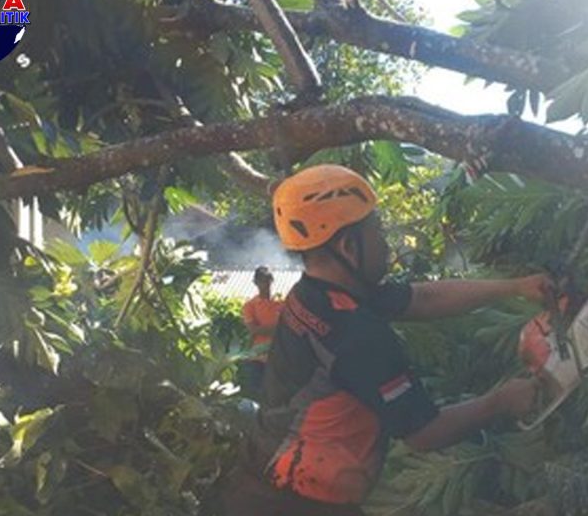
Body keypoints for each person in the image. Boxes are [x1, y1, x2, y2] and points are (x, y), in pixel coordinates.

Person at [216, 164, 551, 516]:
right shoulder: (354, 331)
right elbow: (424, 432)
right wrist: (502, 400)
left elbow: (423, 298)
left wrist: (516, 287)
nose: (386, 243)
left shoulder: (317, 294)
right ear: (348, 246)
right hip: (295, 503)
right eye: (377, 231)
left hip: (262, 483)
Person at [240, 266, 283, 398]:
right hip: (257, 359)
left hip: (279, 357)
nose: (264, 284)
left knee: (279, 396)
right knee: (258, 396)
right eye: (261, 281)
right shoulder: (250, 305)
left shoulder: (281, 304)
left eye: (267, 280)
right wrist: (278, 328)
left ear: (272, 281)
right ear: (255, 283)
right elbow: (253, 329)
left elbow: (290, 328)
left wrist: (265, 329)